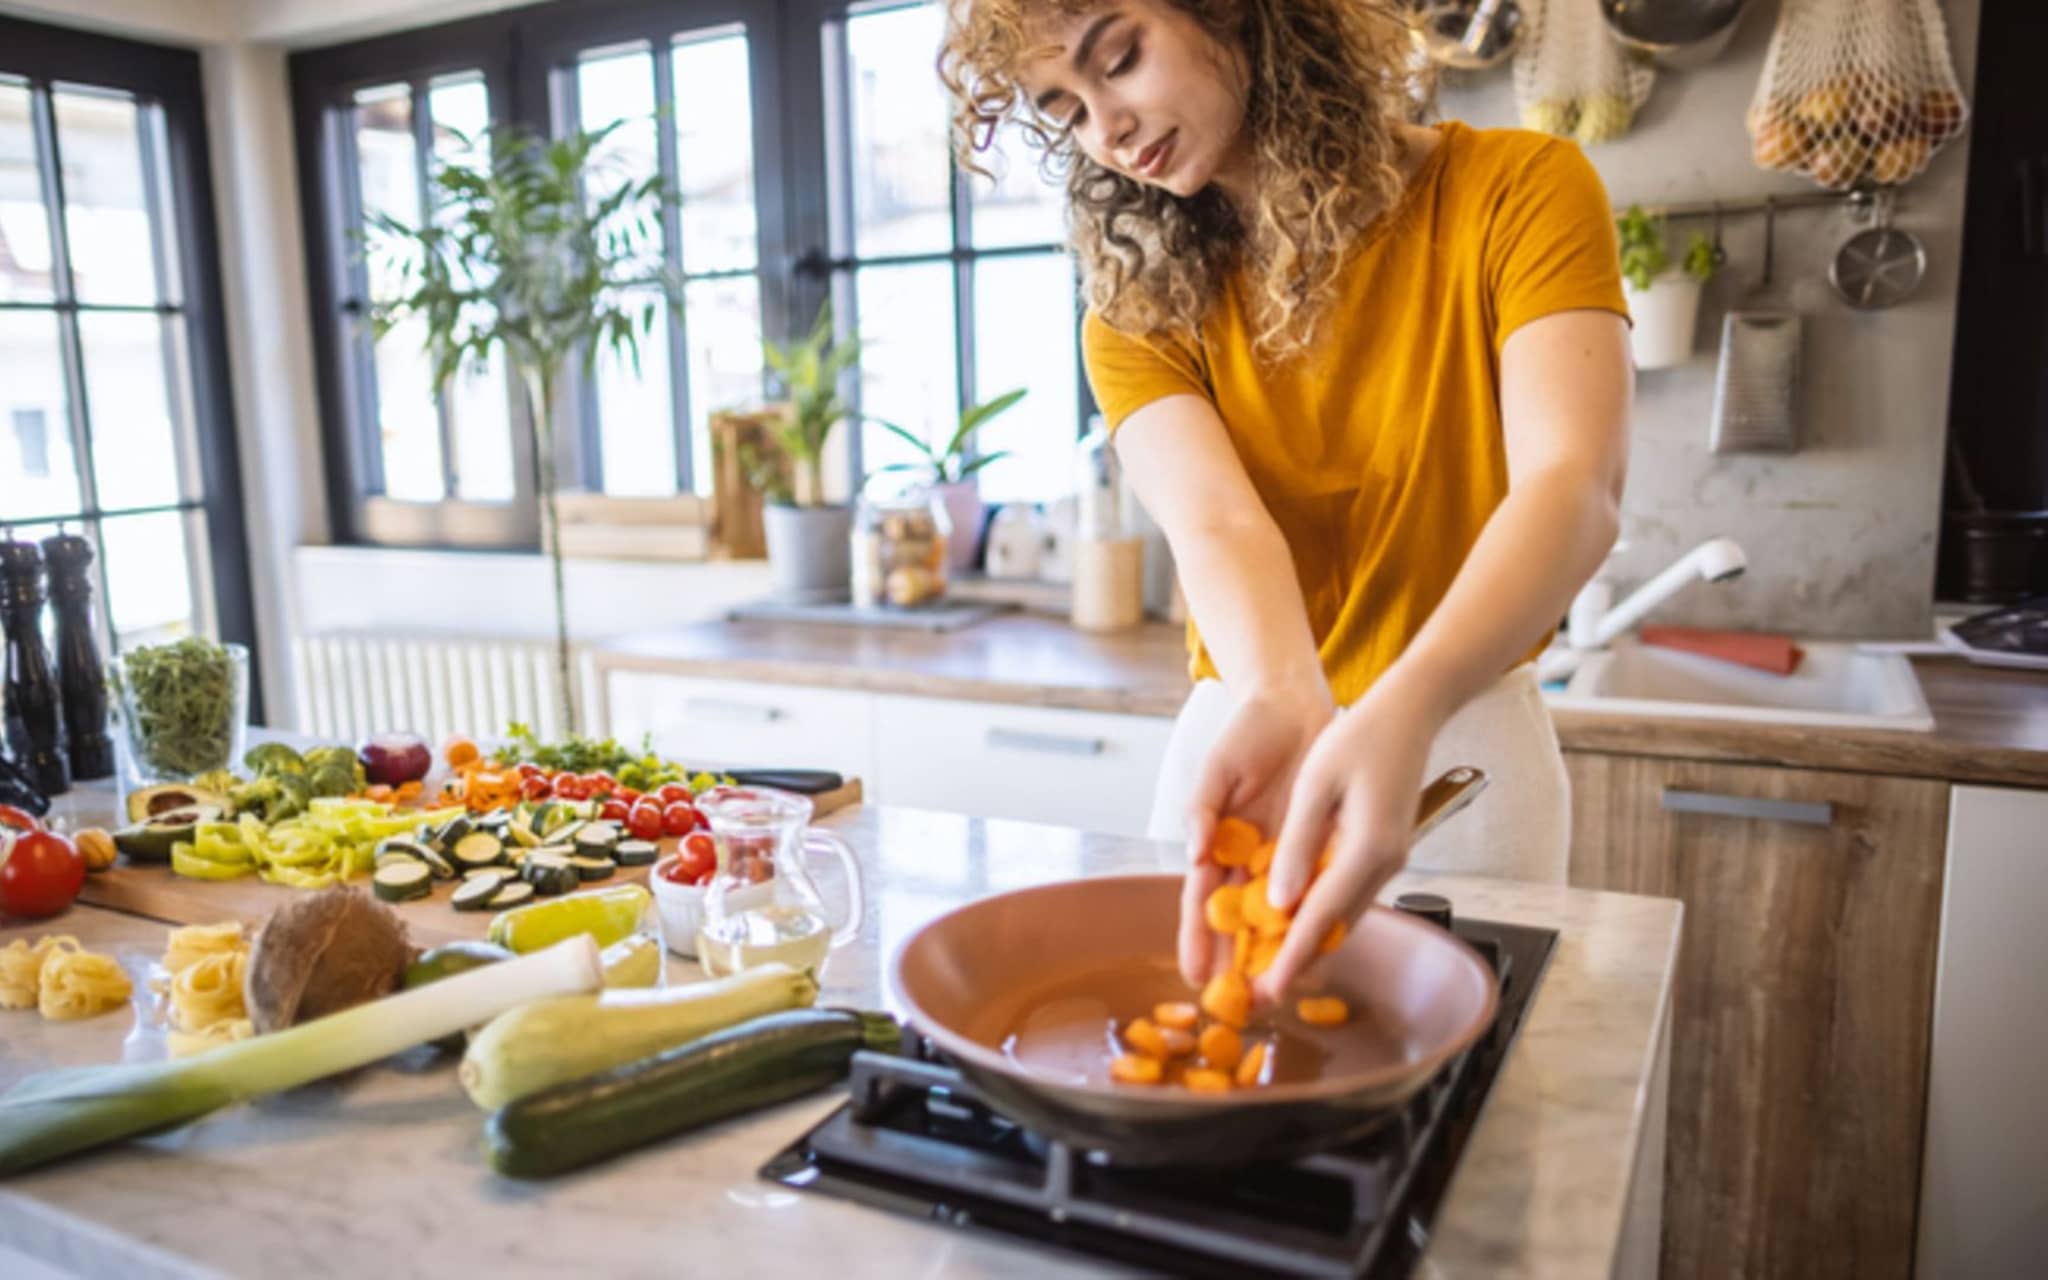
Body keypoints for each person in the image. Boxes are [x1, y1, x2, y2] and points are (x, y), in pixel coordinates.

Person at [940, 0, 1632, 1003]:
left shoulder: (1519, 190)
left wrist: (1407, 703)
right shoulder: (1133, 308)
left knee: (1474, 1100)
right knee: (1208, 1055)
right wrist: (1279, 694)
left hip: (1464, 732)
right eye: (1067, 110)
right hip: (1249, 738)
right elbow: (1216, 525)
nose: (1107, 128)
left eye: (1120, 59)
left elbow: (1571, 485)